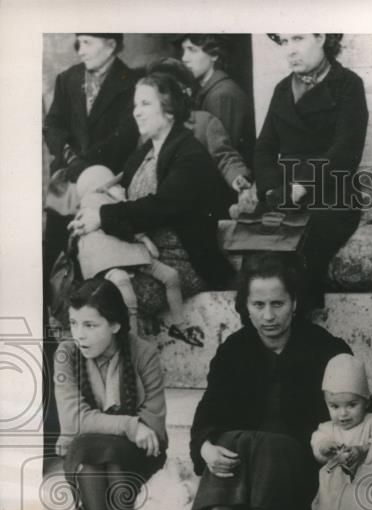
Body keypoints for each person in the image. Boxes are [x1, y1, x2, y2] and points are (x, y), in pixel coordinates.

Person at [188, 253, 351, 510]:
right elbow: (207, 416)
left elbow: (355, 412)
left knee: (271, 445)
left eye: (277, 303)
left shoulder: (326, 349)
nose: (268, 315)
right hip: (239, 484)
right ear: (244, 306)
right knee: (229, 439)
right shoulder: (234, 349)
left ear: (295, 303)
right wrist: (206, 448)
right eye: (258, 304)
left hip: (297, 484)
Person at [69, 68, 232, 307]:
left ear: (169, 109)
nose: (137, 112)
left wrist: (102, 217)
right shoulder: (143, 153)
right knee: (85, 290)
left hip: (182, 263)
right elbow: (121, 197)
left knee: (106, 300)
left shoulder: (190, 155)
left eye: (145, 104)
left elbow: (161, 205)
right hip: (139, 255)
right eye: (135, 105)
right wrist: (91, 214)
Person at [53, 278, 167, 510]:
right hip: (91, 448)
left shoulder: (143, 354)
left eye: (90, 325)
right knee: (90, 454)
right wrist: (129, 425)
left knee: (107, 453)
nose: (79, 335)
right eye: (74, 323)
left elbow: (152, 421)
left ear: (115, 325)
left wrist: (123, 429)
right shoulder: (67, 354)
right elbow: (73, 419)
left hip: (135, 454)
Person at [255, 34, 369, 307]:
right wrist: (272, 190)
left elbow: (345, 150)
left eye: (297, 38)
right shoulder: (283, 89)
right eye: (284, 42)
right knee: (257, 264)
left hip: (331, 196)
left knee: (298, 257)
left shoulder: (348, 85)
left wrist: (301, 187)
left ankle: (300, 325)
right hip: (285, 196)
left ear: (321, 37)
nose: (290, 51)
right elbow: (264, 148)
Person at [73, 164, 204, 347]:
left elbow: (125, 225)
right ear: (100, 189)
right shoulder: (91, 209)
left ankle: (180, 325)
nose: (121, 188)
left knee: (171, 276)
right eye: (114, 185)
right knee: (128, 296)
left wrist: (143, 239)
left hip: (130, 254)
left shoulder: (114, 208)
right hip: (109, 262)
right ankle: (134, 347)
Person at [43, 34, 140, 275]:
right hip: (67, 180)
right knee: (52, 252)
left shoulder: (132, 82)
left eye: (88, 43)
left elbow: (126, 133)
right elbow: (53, 124)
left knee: (96, 254)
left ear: (110, 45)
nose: (81, 51)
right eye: (79, 43)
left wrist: (86, 162)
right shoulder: (68, 79)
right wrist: (69, 157)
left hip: (106, 181)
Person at [292, 354, 372, 510]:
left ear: (367, 401)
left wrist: (361, 450)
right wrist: (325, 447)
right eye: (335, 406)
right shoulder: (327, 428)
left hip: (366, 485)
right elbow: (317, 445)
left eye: (352, 405)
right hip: (333, 487)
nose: (343, 413)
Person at [147, 58, 255, 219]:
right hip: (156, 208)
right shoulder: (148, 130)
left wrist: (238, 179)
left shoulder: (204, 123)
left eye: (167, 92)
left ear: (186, 92)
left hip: (193, 210)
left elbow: (225, 157)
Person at [176, 34, 255, 164]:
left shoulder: (222, 95)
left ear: (214, 55)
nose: (184, 58)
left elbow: (220, 154)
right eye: (183, 50)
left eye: (192, 50)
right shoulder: (203, 89)